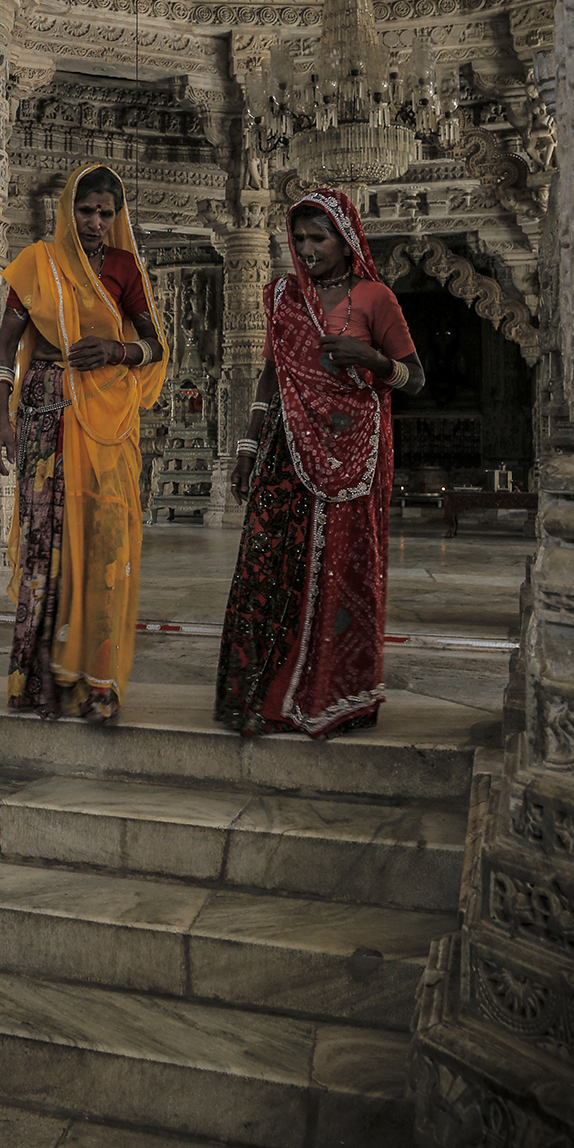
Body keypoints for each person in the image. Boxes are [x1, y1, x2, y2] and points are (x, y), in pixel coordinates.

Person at [215, 188, 424, 738]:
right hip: (287, 449)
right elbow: (271, 377)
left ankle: (336, 693)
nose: (306, 249)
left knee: (341, 566)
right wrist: (247, 447)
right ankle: (267, 694)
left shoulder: (376, 297)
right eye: (300, 239)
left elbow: (414, 377)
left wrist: (371, 359)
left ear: (346, 238)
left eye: (319, 238)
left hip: (354, 451)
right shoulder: (285, 296)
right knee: (271, 561)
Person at [0, 164, 169, 724]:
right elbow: (2, 351)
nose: (95, 223)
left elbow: (155, 346)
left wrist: (117, 353)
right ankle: (38, 680)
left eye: (106, 214)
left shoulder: (123, 268)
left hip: (110, 420)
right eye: (86, 211)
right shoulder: (36, 264)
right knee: (45, 543)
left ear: (117, 219)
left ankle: (98, 684)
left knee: (106, 545)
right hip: (44, 415)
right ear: (69, 210)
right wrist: (1, 420)